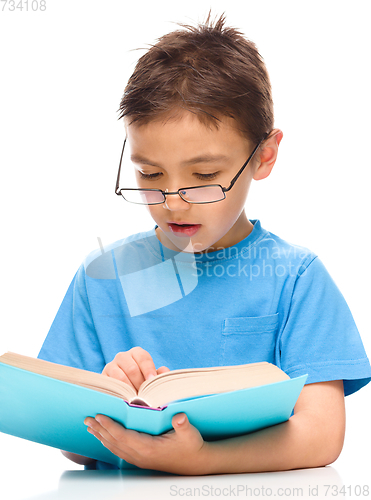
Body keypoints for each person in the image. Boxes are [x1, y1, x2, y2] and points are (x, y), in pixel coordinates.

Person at [38, 14, 371, 475]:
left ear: (263, 155)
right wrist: (103, 408)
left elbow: (321, 434)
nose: (174, 202)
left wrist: (203, 460)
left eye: (205, 176)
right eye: (150, 175)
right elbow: (70, 444)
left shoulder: (295, 279)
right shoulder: (104, 276)